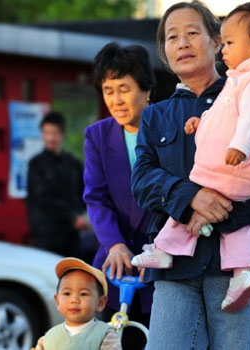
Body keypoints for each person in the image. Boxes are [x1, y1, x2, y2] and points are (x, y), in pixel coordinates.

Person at [131, 1, 250, 348]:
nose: (183, 43)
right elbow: (142, 180)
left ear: (218, 42)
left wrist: (222, 215)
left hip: (240, 264)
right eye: (172, 37)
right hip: (175, 264)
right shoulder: (155, 116)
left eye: (193, 33)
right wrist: (191, 198)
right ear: (164, 51)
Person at [82, 42, 156, 350]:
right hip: (114, 268)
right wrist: (114, 243)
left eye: (124, 89)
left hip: (162, 266)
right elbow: (95, 198)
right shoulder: (97, 135)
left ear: (146, 89)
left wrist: (160, 246)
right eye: (108, 90)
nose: (116, 100)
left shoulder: (171, 130)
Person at [26, 111, 87, 258]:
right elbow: (43, 197)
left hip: (73, 234)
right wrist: (72, 216)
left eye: (54, 133)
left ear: (62, 134)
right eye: (46, 133)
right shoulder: (36, 164)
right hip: (46, 234)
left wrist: (83, 217)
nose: (51, 138)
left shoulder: (73, 164)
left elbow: (84, 192)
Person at [32, 257, 120, 350]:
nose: (74, 300)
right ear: (57, 301)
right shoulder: (47, 338)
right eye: (67, 293)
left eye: (83, 294)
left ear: (100, 303)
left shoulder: (106, 335)